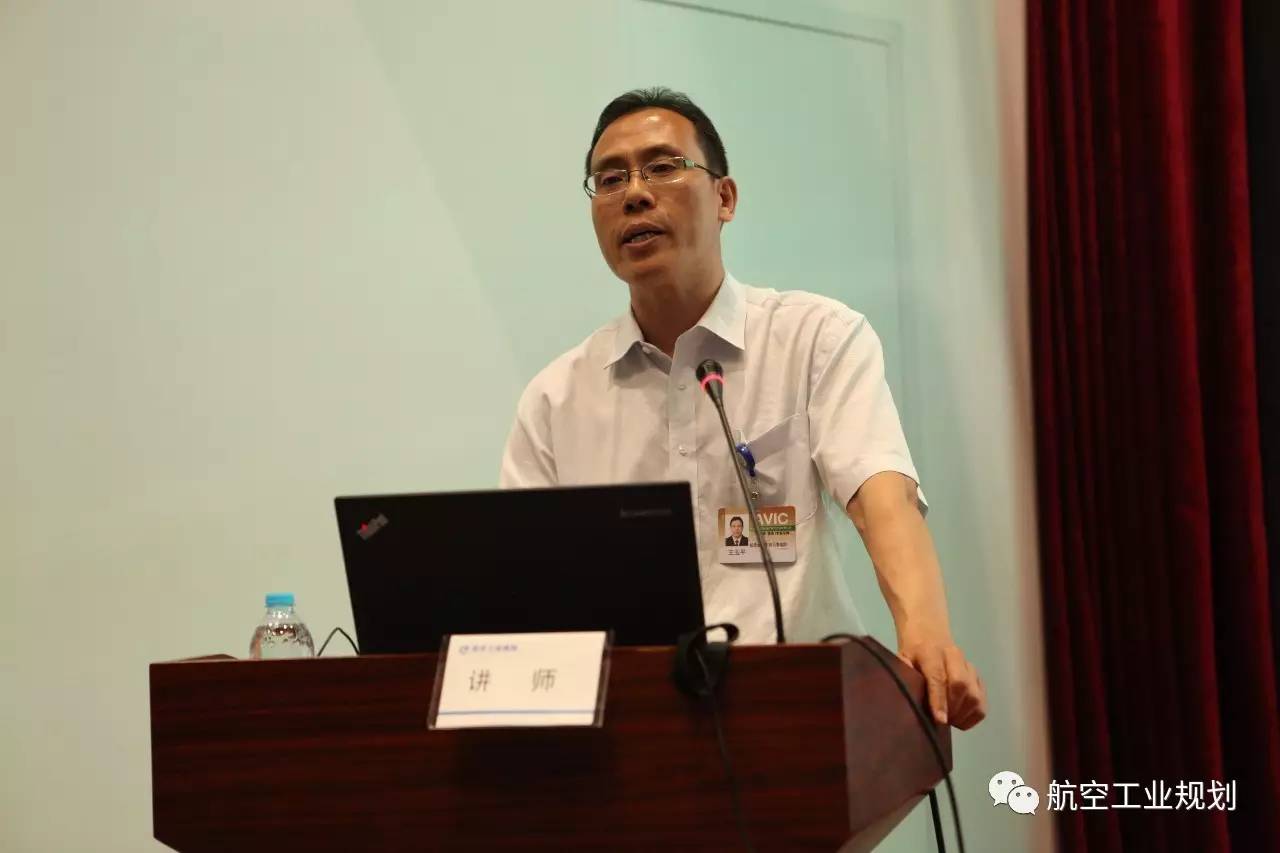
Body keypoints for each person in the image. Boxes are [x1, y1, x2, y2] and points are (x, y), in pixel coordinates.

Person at [499, 87, 986, 729]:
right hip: (630, 728)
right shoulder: (555, 399)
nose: (634, 194)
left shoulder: (814, 339)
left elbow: (880, 496)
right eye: (610, 179)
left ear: (724, 198)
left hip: (798, 715)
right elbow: (523, 583)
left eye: (662, 167)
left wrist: (926, 633)